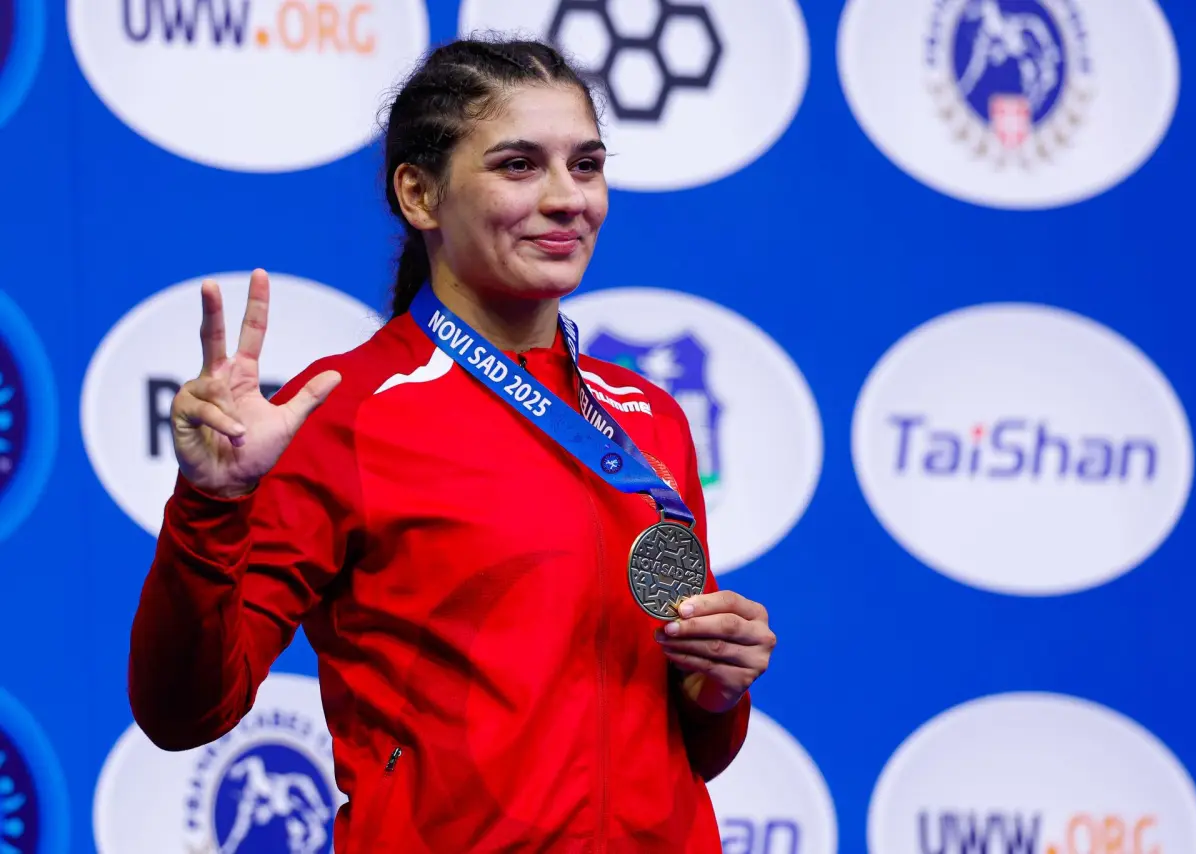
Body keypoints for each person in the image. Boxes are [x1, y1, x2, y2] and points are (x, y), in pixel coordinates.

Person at [127, 36, 776, 853]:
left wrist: (718, 686)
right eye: (518, 166)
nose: (567, 198)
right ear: (419, 194)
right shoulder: (344, 411)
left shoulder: (647, 417)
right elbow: (184, 712)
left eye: (585, 165)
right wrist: (211, 504)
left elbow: (694, 748)